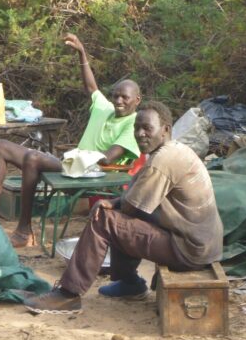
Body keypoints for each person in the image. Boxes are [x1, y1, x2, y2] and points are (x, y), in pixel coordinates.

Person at [21, 101, 224, 315]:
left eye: (147, 128)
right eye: (137, 127)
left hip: (189, 249)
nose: (140, 133)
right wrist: (114, 202)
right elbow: (133, 197)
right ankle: (129, 284)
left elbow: (131, 208)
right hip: (198, 243)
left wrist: (112, 206)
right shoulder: (172, 150)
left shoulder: (163, 160)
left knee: (105, 219)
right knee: (117, 215)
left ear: (165, 130)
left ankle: (68, 295)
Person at [0, 33, 141, 247]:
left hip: (93, 174)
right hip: (71, 165)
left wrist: (76, 155)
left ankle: (24, 231)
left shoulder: (133, 123)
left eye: (125, 97)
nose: (119, 100)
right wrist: (82, 53)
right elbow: (91, 88)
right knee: (1, 146)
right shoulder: (105, 109)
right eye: (116, 95)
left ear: (137, 100)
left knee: (32, 157)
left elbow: (107, 158)